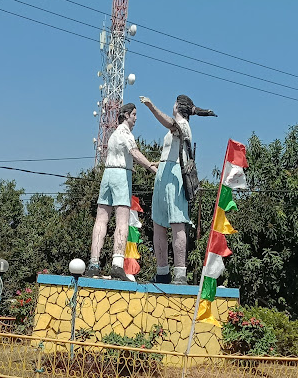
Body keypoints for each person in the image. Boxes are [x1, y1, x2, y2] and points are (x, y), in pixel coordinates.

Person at [140, 94, 217, 284]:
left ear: (177, 107)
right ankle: (162, 272)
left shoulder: (182, 125)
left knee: (177, 222)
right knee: (158, 223)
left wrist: (151, 106)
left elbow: (168, 123)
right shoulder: (178, 126)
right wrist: (159, 163)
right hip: (163, 173)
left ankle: (180, 273)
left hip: (175, 174)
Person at [86, 103, 157, 280]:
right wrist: (150, 166)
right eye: (133, 114)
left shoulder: (112, 135)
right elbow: (134, 152)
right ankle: (117, 264)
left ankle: (94, 263)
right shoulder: (126, 133)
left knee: (101, 219)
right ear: (125, 115)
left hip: (107, 175)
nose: (136, 118)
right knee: (122, 220)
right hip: (121, 175)